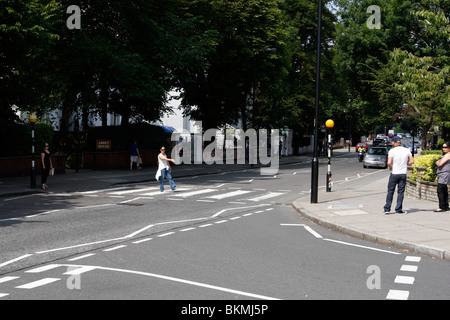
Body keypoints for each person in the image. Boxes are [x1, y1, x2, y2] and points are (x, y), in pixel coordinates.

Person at [383, 136, 414, 214]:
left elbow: (389, 162)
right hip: (403, 173)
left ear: (394, 142)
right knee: (400, 192)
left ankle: (387, 208)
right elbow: (412, 161)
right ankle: (398, 209)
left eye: (392, 142)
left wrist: (390, 168)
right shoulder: (407, 150)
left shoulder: (392, 151)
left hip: (394, 173)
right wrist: (405, 163)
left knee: (390, 191)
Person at [435, 141, 450, 212]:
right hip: (443, 174)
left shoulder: (448, 155)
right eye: (443, 147)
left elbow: (440, 164)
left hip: (444, 174)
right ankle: (445, 206)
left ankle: (442, 207)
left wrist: (436, 161)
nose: (443, 149)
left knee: (440, 190)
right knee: (444, 190)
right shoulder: (446, 154)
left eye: (445, 147)